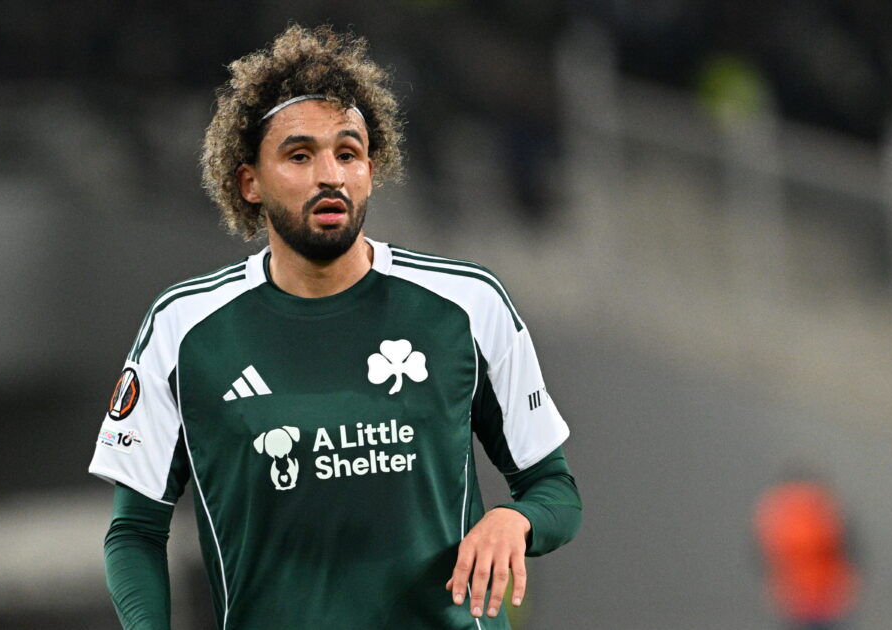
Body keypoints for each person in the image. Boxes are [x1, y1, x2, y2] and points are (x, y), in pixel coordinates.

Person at [89, 24, 581, 630]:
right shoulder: (183, 329)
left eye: (347, 153)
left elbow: (554, 490)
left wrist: (516, 519)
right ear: (249, 182)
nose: (331, 175)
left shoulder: (468, 304)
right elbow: (134, 532)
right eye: (300, 156)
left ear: (371, 168)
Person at [754, 473, 859, 630]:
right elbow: (846, 547)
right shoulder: (823, 507)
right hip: (824, 594)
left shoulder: (774, 512)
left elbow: (764, 556)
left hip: (797, 595)